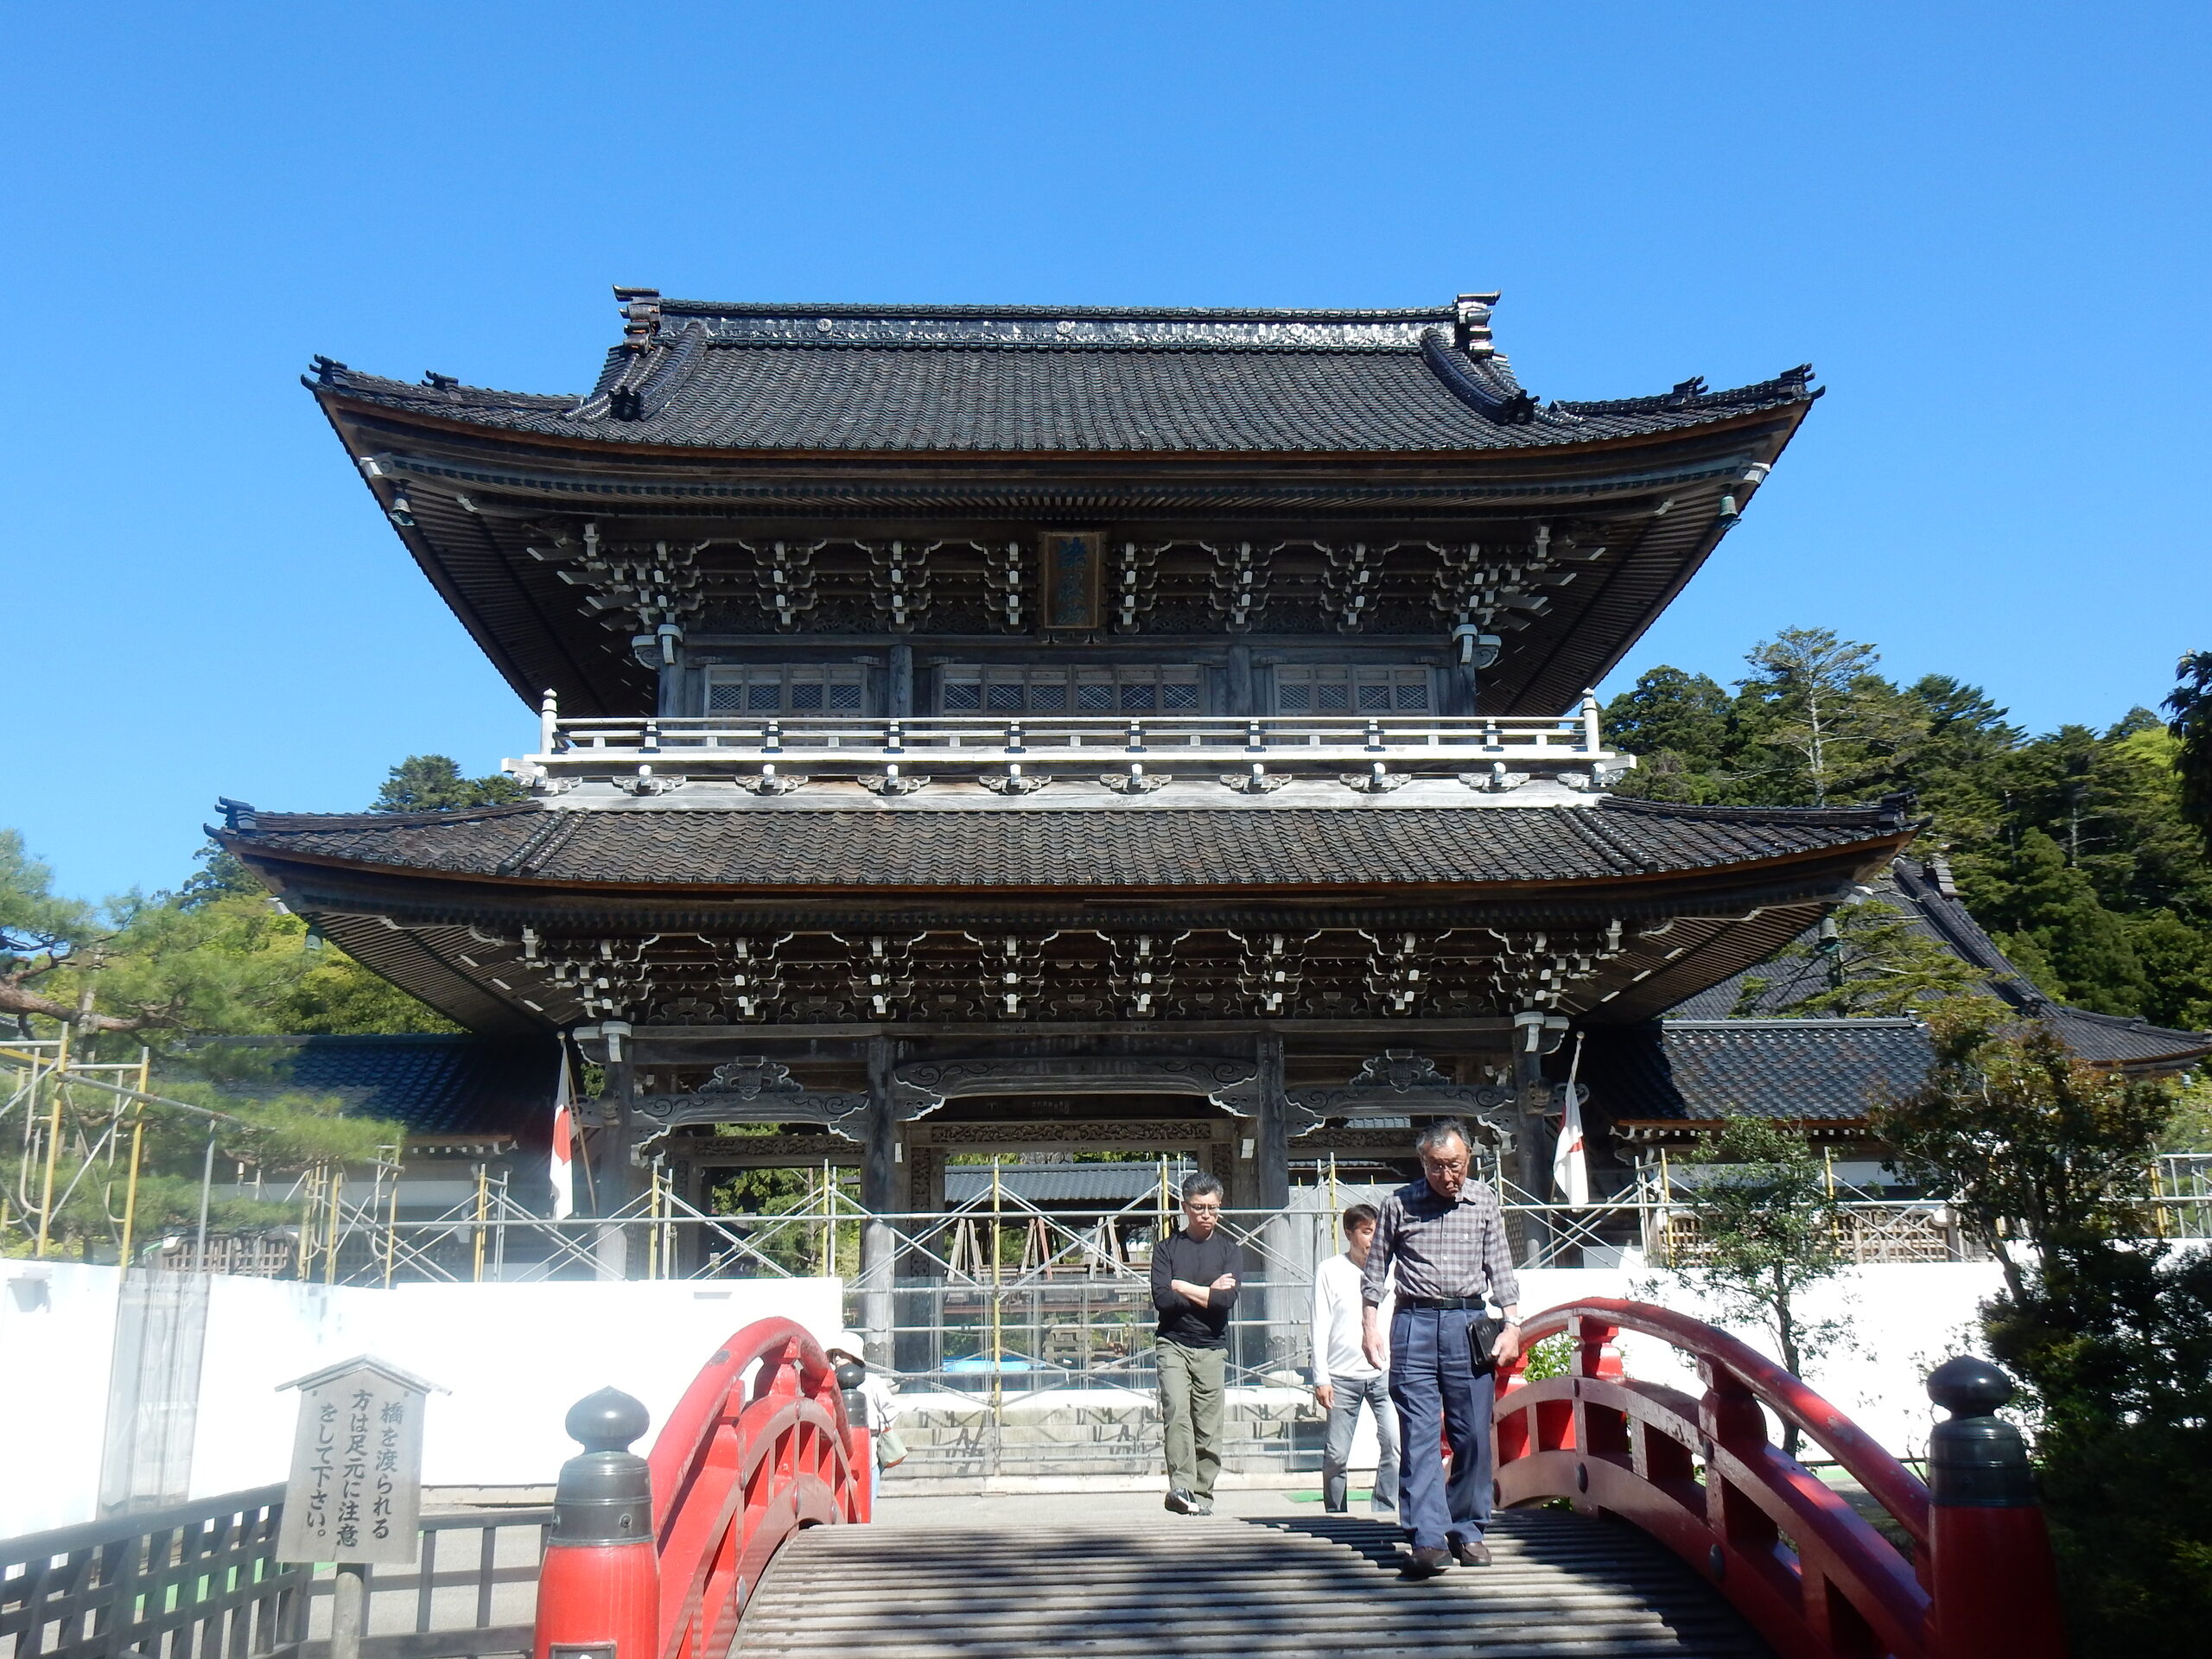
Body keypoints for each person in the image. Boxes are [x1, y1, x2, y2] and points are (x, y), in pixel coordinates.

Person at [1361, 1120, 1522, 1577]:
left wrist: (1512, 1324)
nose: (1447, 1176)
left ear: (1469, 1159)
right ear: (1423, 1164)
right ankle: (1427, 1536)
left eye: (1455, 1165)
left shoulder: (1484, 1201)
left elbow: (1502, 1270)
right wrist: (1370, 1325)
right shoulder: (1398, 1204)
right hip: (1412, 1322)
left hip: (1469, 1322)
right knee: (1419, 1434)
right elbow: (1375, 1272)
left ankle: (1468, 1527)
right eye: (1437, 1167)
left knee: (1471, 1431)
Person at [1150, 1172, 1241, 1515]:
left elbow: (1224, 1302)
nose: (1207, 1215)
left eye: (1213, 1208)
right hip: (1173, 1342)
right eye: (1199, 1208)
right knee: (1177, 1412)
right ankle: (1182, 1488)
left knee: (1208, 1423)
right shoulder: (1166, 1249)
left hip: (1212, 1346)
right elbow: (1163, 1301)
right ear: (1185, 1208)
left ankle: (1204, 1495)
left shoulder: (1229, 1250)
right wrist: (1207, 1290)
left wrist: (1182, 1287)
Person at [1313, 1202, 1398, 1515]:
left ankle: (1385, 1510)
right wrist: (1320, 1377)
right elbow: (1319, 1324)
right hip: (1341, 1375)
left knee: (1394, 1444)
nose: (1372, 1240)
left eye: (1377, 1233)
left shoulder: (1393, 1270)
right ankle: (1336, 1513)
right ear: (1349, 1233)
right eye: (1366, 1232)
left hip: (1384, 1373)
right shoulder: (1330, 1270)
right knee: (1336, 1454)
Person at [824, 1331, 904, 1506]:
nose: (837, 1359)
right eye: (835, 1355)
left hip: (870, 1446)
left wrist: (875, 1426)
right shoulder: (831, 1384)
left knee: (866, 1501)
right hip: (839, 1448)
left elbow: (891, 1408)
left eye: (842, 1354)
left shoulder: (872, 1381)